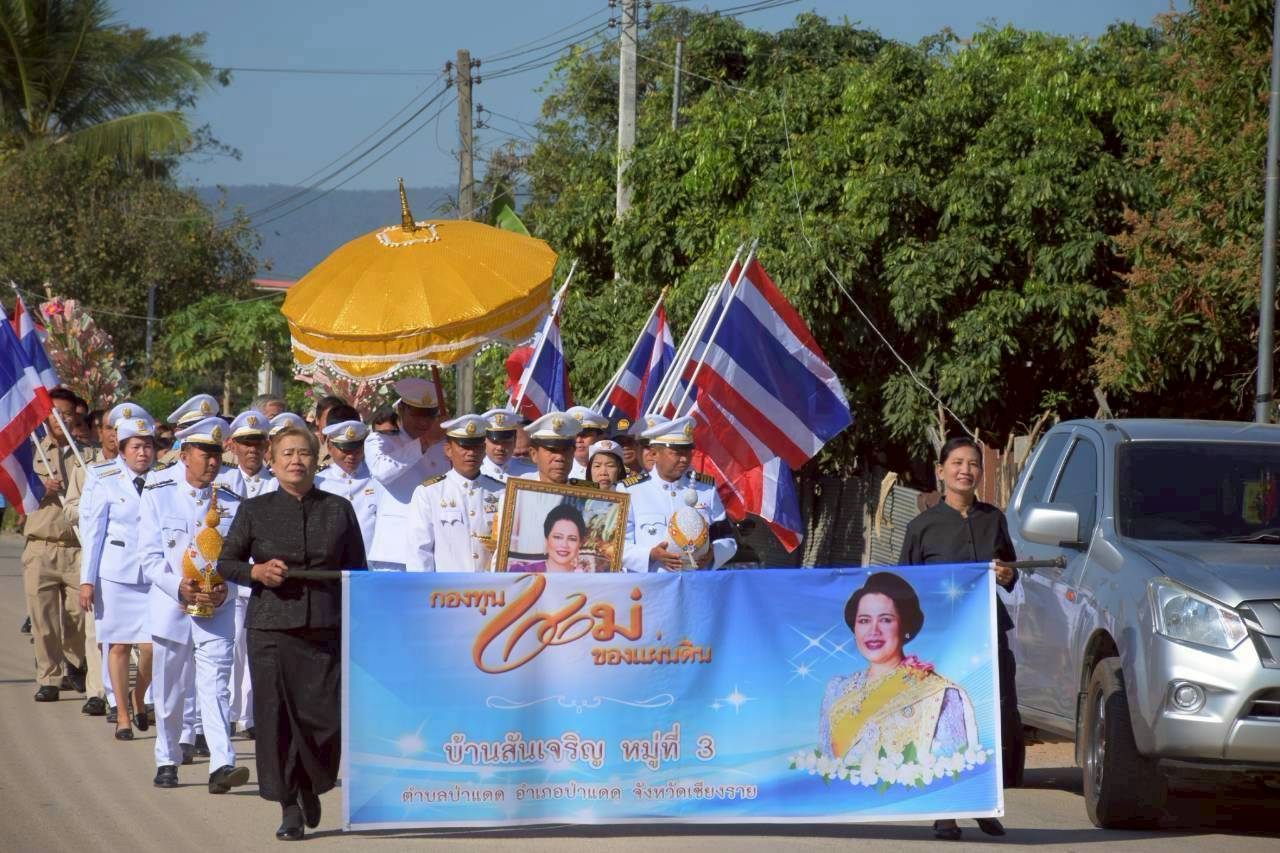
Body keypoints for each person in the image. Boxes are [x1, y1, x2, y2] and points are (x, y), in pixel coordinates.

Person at [218, 425, 368, 841]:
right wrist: (257, 572)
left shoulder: (338, 510)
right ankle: (289, 806)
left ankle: (309, 783)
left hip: (325, 627)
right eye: (287, 453)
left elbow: (358, 573)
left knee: (324, 720)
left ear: (316, 459)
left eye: (303, 453)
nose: (295, 460)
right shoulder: (255, 510)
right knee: (277, 719)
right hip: (270, 628)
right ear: (272, 459)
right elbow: (226, 563)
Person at [898, 435, 1021, 841]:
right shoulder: (922, 527)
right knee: (945, 723)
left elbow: (1011, 570)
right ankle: (946, 813)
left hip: (988, 636)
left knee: (989, 721)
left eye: (972, 464)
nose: (965, 470)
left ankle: (984, 804)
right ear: (941, 470)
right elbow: (905, 588)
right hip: (941, 642)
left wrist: (1006, 574)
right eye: (957, 463)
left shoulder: (994, 519)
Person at [139, 416, 248, 795]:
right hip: (173, 605)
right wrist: (178, 587)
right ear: (185, 455)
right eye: (205, 453)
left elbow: (240, 558)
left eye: (218, 453)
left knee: (216, 686)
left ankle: (222, 763)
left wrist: (226, 591)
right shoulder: (157, 491)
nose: (213, 461)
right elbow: (149, 558)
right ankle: (167, 757)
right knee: (169, 688)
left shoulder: (233, 501)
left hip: (216, 609)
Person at [819, 572, 979, 768]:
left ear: (905, 626)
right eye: (864, 620)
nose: (873, 631)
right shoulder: (837, 690)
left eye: (885, 620)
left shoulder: (938, 693)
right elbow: (825, 768)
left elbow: (952, 769)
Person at [77, 414, 159, 740]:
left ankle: (139, 696)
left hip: (152, 577)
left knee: (153, 646)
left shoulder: (163, 479)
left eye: (148, 447)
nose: (143, 453)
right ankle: (123, 714)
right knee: (119, 646)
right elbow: (93, 531)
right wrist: (87, 580)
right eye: (136, 447)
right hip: (115, 575)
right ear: (122, 450)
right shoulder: (103, 477)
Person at [24, 386, 86, 703]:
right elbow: (16, 487)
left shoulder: (85, 455)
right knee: (43, 619)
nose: (61, 419)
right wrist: (39, 486)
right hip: (41, 546)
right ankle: (49, 676)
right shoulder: (30, 452)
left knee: (78, 616)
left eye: (67, 414)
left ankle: (76, 665)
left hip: (77, 547)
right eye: (55, 413)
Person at [219, 409, 277, 740]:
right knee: (230, 649)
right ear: (233, 446)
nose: (252, 450)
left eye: (257, 443)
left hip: (265, 580)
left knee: (256, 649)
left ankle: (250, 715)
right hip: (231, 579)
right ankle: (227, 712)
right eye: (245, 443)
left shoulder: (275, 483)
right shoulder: (222, 483)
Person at [620, 416, 736, 572]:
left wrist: (713, 553)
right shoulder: (630, 490)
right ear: (655, 454)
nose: (684, 459)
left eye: (688, 452)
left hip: (695, 583)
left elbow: (727, 539)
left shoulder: (706, 488)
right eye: (676, 453)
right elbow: (616, 545)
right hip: (650, 586)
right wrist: (650, 554)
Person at [363, 377, 448, 571]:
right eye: (417, 414)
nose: (424, 421)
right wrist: (425, 442)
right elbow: (382, 471)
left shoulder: (444, 445)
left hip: (437, 546)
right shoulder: (380, 440)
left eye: (429, 415)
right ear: (401, 409)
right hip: (396, 550)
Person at [407, 414, 504, 572]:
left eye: (476, 446)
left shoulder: (501, 492)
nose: (471, 453)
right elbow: (419, 551)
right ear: (448, 450)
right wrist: (424, 592)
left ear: (484, 450)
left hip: (490, 590)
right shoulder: (429, 493)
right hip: (447, 591)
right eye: (464, 446)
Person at [499, 412, 590, 557]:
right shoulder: (516, 493)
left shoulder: (589, 495)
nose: (559, 458)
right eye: (552, 450)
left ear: (573, 453)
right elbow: (502, 550)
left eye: (565, 450)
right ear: (534, 454)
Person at [315, 407, 383, 554]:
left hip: (371, 562)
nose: (351, 456)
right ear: (330, 446)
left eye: (357, 449)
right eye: (345, 449)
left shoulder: (377, 477)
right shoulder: (319, 482)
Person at [523, 503, 589, 573]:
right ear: (546, 540)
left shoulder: (587, 580)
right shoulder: (522, 574)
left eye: (572, 539)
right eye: (557, 537)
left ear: (580, 544)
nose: (564, 545)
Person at [158, 393, 221, 464]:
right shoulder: (165, 464)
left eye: (208, 427)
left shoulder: (226, 464)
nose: (204, 432)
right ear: (178, 432)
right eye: (194, 429)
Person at [480, 407, 536, 482]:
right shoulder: (474, 472)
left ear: (514, 441)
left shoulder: (532, 472)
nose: (500, 447)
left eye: (506, 442)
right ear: (484, 441)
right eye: (495, 442)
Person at [565, 405, 608, 480]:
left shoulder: (617, 471)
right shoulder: (560, 472)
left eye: (584, 435)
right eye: (574, 435)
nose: (578, 440)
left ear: (600, 438)